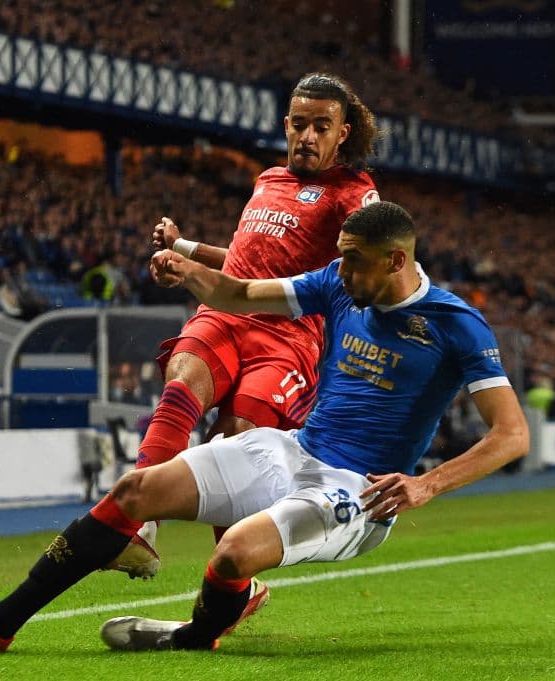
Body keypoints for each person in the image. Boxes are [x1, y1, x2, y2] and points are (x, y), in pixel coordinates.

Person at [0, 200, 529, 654]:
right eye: (339, 261)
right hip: (294, 450)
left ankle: (190, 638)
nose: (340, 275)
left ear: (396, 260)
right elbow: (241, 291)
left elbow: (511, 434)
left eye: (354, 264)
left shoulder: (456, 324)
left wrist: (425, 485)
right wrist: (189, 273)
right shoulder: (339, 286)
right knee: (137, 490)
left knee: (233, 554)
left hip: (357, 490)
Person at [110, 72, 380, 578]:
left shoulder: (351, 192)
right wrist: (185, 251)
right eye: (300, 124)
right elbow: (245, 259)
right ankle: (139, 529)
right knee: (182, 381)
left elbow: (376, 252)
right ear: (286, 125)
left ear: (342, 133)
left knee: (235, 441)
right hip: (228, 312)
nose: (308, 136)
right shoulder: (268, 180)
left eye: (322, 126)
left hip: (288, 333)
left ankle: (237, 580)